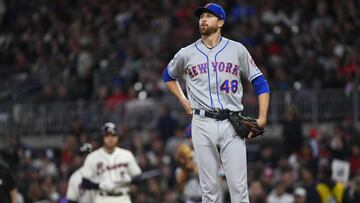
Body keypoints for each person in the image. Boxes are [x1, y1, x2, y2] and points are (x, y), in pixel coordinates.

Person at [162, 2, 270, 203]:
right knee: (209, 190)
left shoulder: (237, 49)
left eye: (209, 16)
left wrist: (262, 117)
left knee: (238, 188)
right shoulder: (187, 53)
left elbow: (260, 82)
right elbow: (168, 75)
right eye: (201, 16)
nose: (203, 19)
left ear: (220, 22)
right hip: (202, 123)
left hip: (232, 122)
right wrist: (184, 101)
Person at [81, 122, 142, 203]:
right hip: (103, 198)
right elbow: (85, 183)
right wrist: (99, 185)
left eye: (113, 136)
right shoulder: (93, 157)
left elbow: (139, 177)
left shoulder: (126, 154)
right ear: (102, 137)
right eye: (107, 136)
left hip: (123, 198)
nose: (110, 139)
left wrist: (130, 180)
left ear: (117, 137)